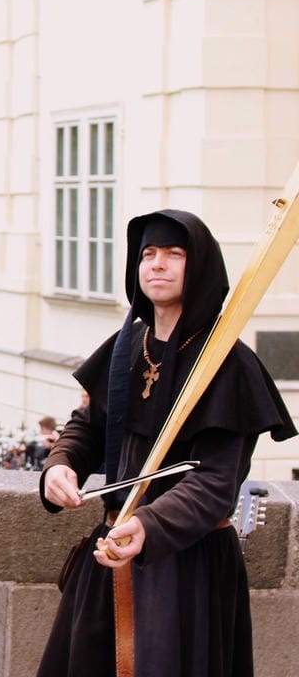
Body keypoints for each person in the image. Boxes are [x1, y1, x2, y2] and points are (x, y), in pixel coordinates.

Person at [37, 209, 297, 676]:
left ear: (199, 267)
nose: (157, 264)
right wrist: (61, 464)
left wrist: (150, 525)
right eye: (148, 254)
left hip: (188, 569)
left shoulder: (228, 364)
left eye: (174, 254)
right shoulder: (127, 346)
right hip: (111, 552)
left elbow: (214, 483)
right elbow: (88, 427)